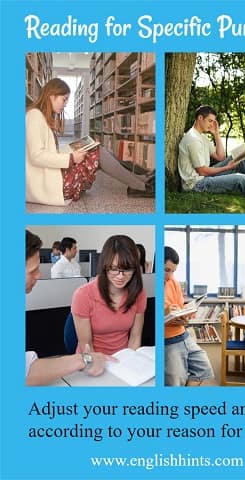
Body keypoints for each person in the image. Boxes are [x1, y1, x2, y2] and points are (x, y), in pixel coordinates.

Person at [26, 78, 154, 206]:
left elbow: (50, 151)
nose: (65, 104)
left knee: (96, 148)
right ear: (51, 96)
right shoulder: (35, 116)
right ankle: (141, 185)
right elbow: (36, 156)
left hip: (54, 179)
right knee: (98, 152)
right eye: (64, 99)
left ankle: (142, 180)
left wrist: (72, 149)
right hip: (52, 186)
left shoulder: (40, 116)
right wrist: (71, 158)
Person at [25, 230, 114, 386]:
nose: (39, 275)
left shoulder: (75, 265)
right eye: (33, 271)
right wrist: (85, 360)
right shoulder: (59, 268)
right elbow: (24, 371)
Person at [71, 235, 147, 355]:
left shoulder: (139, 293)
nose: (120, 276)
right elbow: (86, 346)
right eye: (114, 268)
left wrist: (131, 362)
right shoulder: (83, 295)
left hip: (123, 360)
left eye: (127, 269)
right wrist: (97, 366)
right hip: (92, 360)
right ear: (104, 266)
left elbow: (135, 337)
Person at [164, 246, 215, 386]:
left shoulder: (173, 282)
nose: (170, 275)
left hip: (183, 334)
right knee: (176, 380)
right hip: (167, 340)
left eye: (173, 271)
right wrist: (166, 312)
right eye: (166, 270)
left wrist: (184, 317)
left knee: (203, 368)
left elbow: (179, 308)